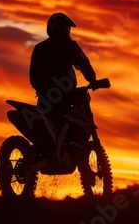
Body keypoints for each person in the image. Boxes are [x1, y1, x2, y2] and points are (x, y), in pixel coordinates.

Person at [29, 12, 97, 156]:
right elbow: (83, 63)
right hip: (65, 96)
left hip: (44, 99)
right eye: (68, 28)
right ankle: (74, 143)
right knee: (82, 112)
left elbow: (33, 76)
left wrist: (42, 90)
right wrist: (93, 80)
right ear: (63, 28)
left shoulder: (39, 47)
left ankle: (58, 146)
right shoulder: (69, 46)